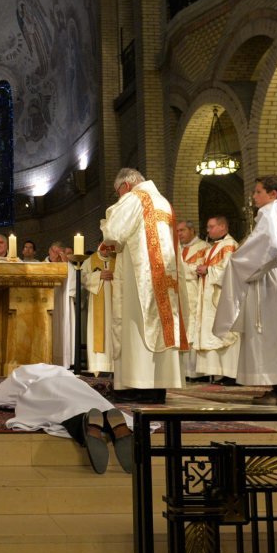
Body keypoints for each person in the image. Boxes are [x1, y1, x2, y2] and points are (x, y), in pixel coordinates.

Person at [100, 168, 186, 402]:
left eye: (118, 193)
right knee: (160, 327)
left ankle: (140, 386)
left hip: (140, 276)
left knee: (136, 326)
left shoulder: (135, 198)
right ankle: (158, 387)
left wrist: (106, 238)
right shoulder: (163, 202)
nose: (119, 197)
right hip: (165, 276)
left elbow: (114, 232)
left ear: (126, 186)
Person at [214, 176, 277, 405]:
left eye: (258, 191)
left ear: (272, 194)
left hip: (267, 281)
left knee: (274, 335)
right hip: (275, 277)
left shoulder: (269, 214)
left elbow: (263, 245)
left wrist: (236, 260)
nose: (254, 196)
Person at [0, 364, 133, 474]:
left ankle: (85, 424)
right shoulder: (63, 371)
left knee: (61, 409)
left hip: (44, 387)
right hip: (77, 385)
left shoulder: (21, 371)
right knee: (92, 403)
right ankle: (112, 421)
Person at [189, 216, 239, 383]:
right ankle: (215, 372)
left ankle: (229, 374)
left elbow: (229, 270)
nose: (208, 230)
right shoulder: (214, 247)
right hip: (208, 294)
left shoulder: (230, 245)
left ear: (222, 226)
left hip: (221, 296)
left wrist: (208, 270)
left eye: (211, 227)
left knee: (223, 332)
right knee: (210, 331)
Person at [177, 221, 208, 378]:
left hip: (194, 293)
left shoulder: (204, 248)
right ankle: (182, 372)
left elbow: (199, 270)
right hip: (179, 295)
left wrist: (180, 270)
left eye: (182, 230)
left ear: (192, 230)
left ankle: (195, 372)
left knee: (193, 331)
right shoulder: (178, 249)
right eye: (177, 231)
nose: (179, 234)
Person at [80, 243, 116, 375]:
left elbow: (126, 277)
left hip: (116, 305)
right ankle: (98, 366)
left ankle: (114, 366)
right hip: (96, 305)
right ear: (98, 246)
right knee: (98, 332)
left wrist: (115, 276)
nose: (106, 250)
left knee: (114, 332)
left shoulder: (117, 259)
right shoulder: (90, 260)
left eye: (109, 248)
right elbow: (82, 277)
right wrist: (98, 276)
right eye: (104, 247)